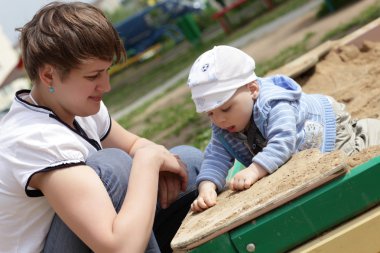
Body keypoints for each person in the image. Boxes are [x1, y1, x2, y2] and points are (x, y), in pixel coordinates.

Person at [0, 2, 203, 253]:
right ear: (49, 76)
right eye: (92, 76)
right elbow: (119, 249)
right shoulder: (33, 138)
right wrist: (148, 162)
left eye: (106, 71)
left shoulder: (76, 105)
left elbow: (135, 145)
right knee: (114, 167)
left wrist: (150, 158)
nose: (105, 86)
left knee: (188, 163)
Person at [186, 45, 380, 212]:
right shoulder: (224, 125)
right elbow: (215, 157)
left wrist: (254, 170)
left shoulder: (275, 104)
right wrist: (207, 186)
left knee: (348, 156)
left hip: (328, 126)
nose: (219, 119)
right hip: (294, 145)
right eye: (210, 113)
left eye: (226, 108)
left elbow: (284, 141)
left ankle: (371, 131)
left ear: (253, 90)